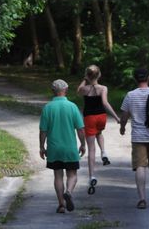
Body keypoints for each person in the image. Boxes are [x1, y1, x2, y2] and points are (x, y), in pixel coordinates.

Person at [119, 67, 149, 209]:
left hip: (138, 136)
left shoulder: (130, 95)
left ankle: (142, 198)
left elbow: (125, 115)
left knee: (140, 166)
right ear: (148, 78)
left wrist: (122, 127)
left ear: (135, 79)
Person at [40, 79, 87, 213]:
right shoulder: (72, 107)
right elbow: (80, 129)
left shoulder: (48, 107)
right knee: (72, 175)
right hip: (69, 148)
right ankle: (69, 191)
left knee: (58, 176)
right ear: (66, 90)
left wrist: (42, 147)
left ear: (52, 92)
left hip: (54, 149)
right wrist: (83, 144)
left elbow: (43, 130)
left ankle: (61, 204)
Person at [76, 65, 121, 195]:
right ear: (99, 75)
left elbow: (78, 90)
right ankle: (104, 152)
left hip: (89, 118)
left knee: (91, 149)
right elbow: (105, 103)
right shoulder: (103, 88)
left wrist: (85, 80)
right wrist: (116, 117)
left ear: (87, 75)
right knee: (99, 133)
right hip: (101, 117)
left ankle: (92, 176)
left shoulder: (84, 89)